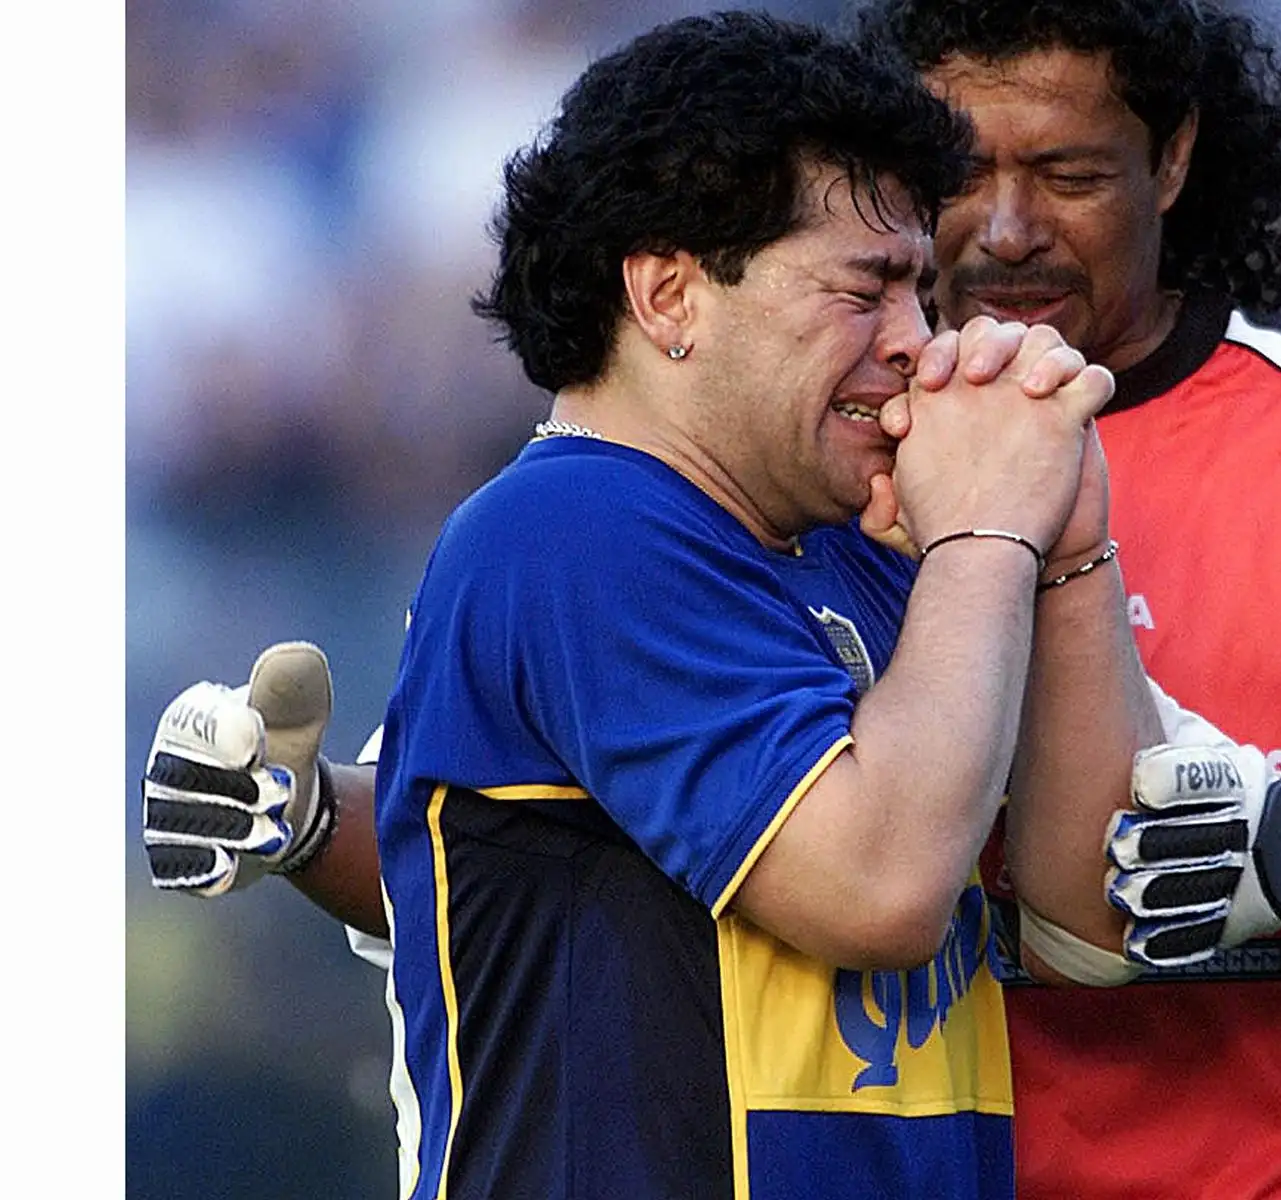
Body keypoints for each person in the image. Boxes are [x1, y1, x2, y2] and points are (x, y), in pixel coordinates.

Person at [142, 1, 1281, 1197]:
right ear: (673, 296)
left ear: (1171, 160)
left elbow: (1102, 906)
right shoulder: (651, 516)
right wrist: (329, 825)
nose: (996, 250)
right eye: (927, 221)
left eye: (1074, 175)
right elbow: (783, 872)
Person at [147, 12, 1171, 1199]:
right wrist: (991, 531)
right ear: (670, 293)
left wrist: (1069, 545)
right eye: (868, 291)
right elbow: (881, 887)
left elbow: (1098, 921)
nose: (921, 343)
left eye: (922, 295)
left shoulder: (877, 551)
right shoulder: (576, 533)